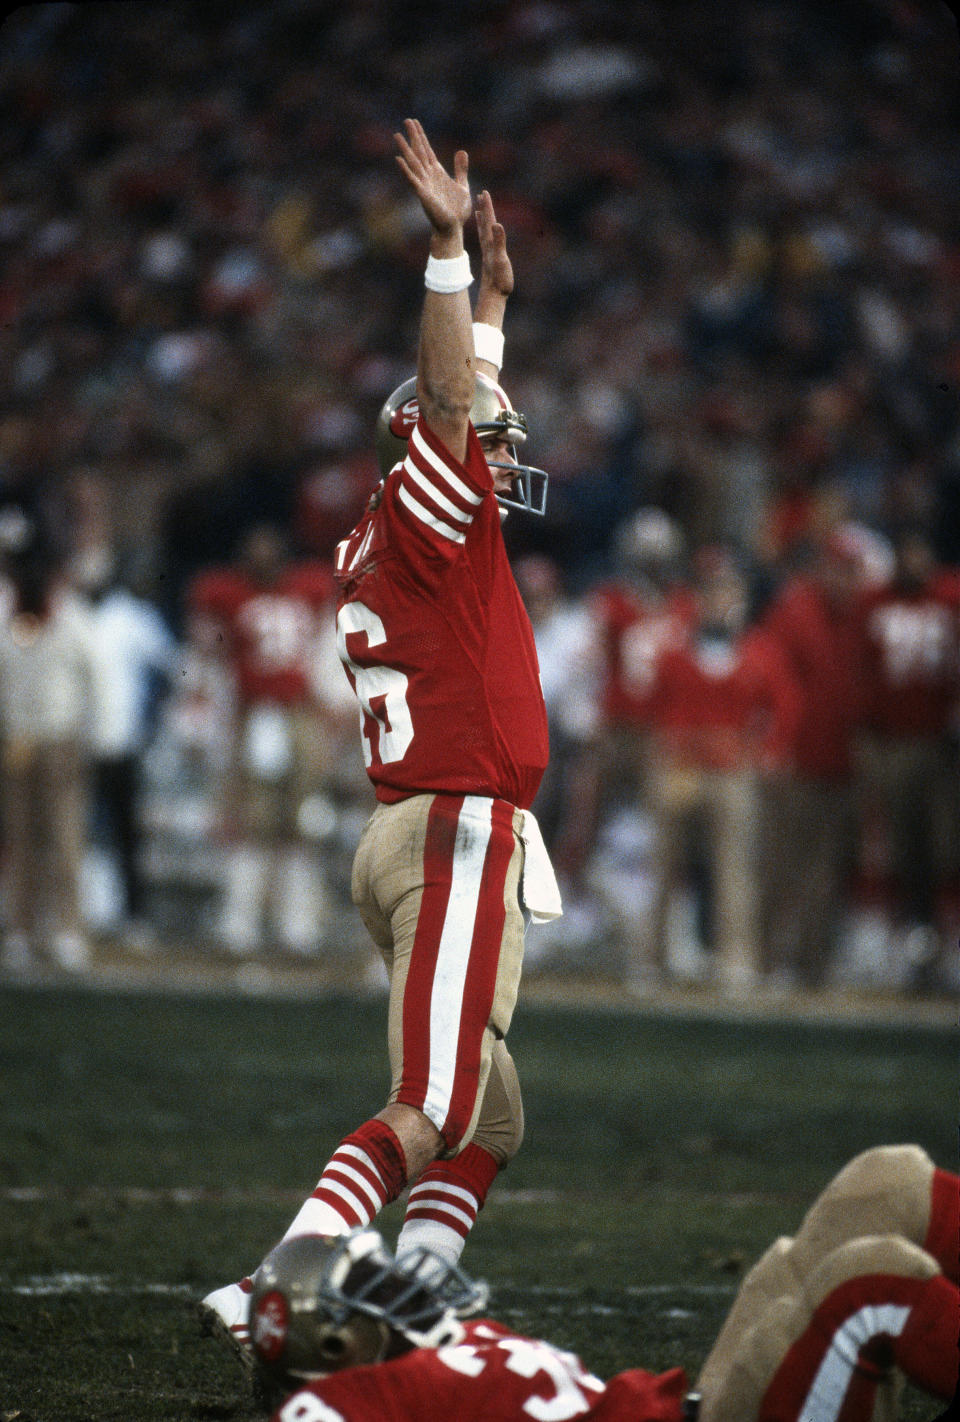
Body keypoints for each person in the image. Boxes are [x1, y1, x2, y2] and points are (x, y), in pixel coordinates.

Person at [201, 119, 559, 1341]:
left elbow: (459, 400)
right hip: (458, 827)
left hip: (415, 826)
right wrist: (450, 259)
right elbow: (450, 400)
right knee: (429, 1107)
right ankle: (276, 1281)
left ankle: (410, 1301)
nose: (502, 456)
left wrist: (494, 307)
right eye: (488, 442)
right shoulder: (426, 508)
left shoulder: (389, 531)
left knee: (488, 1116)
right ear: (431, 449)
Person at [241, 1142, 958, 1422]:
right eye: (371, 1291)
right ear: (331, 1345)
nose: (402, 1290)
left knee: (885, 1183)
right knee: (867, 1285)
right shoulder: (348, 1399)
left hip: (693, 1408)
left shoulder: (440, 1348)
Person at [187, 524, 338, 955]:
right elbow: (208, 650)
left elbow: (328, 647)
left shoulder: (309, 587)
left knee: (301, 821)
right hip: (252, 714)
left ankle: (298, 925)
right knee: (251, 822)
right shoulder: (226, 594)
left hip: (297, 713)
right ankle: (242, 920)